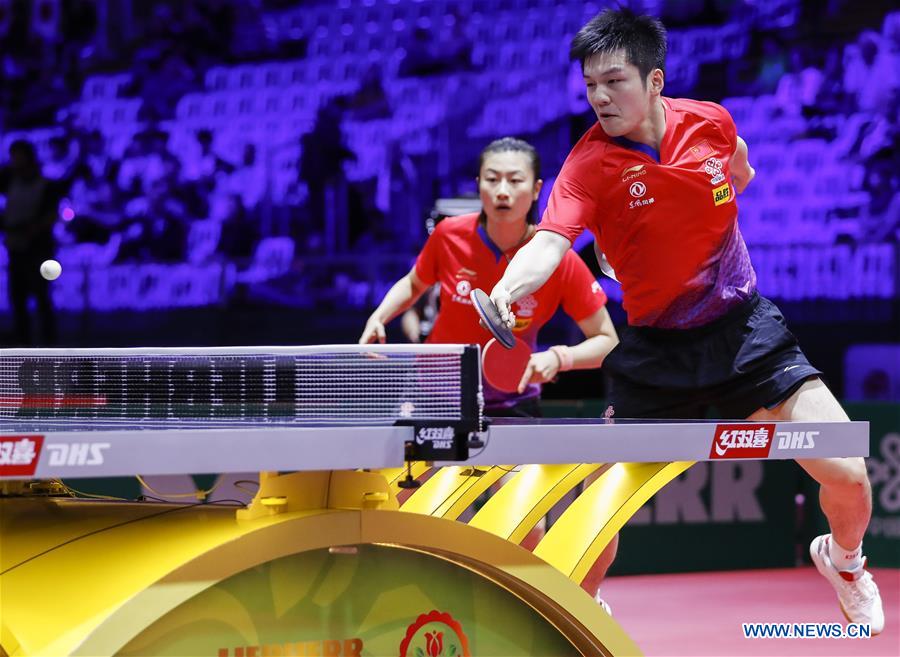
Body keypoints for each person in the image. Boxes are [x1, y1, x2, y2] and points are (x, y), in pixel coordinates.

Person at [488, 9, 884, 633]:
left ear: (654, 81)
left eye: (614, 81)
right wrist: (506, 290)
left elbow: (741, 170)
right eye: (590, 83)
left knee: (849, 470)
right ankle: (577, 617)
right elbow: (548, 243)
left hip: (744, 333)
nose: (599, 96)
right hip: (655, 353)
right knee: (599, 508)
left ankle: (845, 561)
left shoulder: (713, 122)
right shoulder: (588, 165)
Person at [360, 137, 618, 417]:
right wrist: (379, 316)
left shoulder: (555, 258)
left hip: (514, 400)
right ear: (478, 184)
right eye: (492, 179)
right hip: (433, 394)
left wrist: (559, 358)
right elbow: (414, 283)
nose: (502, 191)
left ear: (536, 190)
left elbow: (607, 340)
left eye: (516, 181)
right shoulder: (449, 235)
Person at [0, 140, 61, 345]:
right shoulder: (8, 181)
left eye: (19, 155)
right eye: (12, 155)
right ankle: (22, 348)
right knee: (17, 301)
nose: (15, 160)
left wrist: (31, 229)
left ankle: (50, 349)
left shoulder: (47, 186)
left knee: (42, 300)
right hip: (15, 251)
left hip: (38, 252)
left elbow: (51, 216)